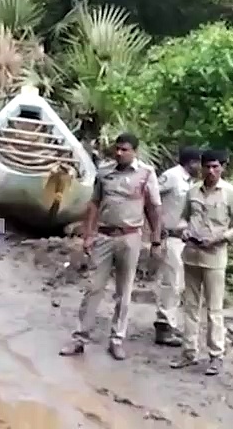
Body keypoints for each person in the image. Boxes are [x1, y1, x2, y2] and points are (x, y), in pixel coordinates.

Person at [59, 133, 162, 360]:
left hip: (130, 237)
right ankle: (79, 338)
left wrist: (156, 239)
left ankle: (117, 340)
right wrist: (88, 235)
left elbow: (153, 208)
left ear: (135, 151)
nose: (119, 153)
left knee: (124, 291)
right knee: (93, 288)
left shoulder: (146, 174)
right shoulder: (105, 172)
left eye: (124, 149)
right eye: (117, 149)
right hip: (104, 237)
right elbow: (94, 204)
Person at [170, 149, 233, 376]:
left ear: (223, 168)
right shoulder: (192, 191)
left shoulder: (231, 194)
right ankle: (188, 352)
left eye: (215, 167)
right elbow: (183, 217)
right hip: (191, 254)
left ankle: (216, 355)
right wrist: (183, 230)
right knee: (191, 306)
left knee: (214, 309)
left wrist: (219, 238)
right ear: (201, 167)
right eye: (207, 167)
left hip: (215, 257)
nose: (211, 171)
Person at [152, 146, 202, 347]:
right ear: (191, 162)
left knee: (179, 284)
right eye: (199, 163)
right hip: (169, 236)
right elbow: (152, 197)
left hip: (183, 239)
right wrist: (155, 229)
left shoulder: (190, 182)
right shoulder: (171, 177)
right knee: (169, 283)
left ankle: (170, 323)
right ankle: (163, 327)